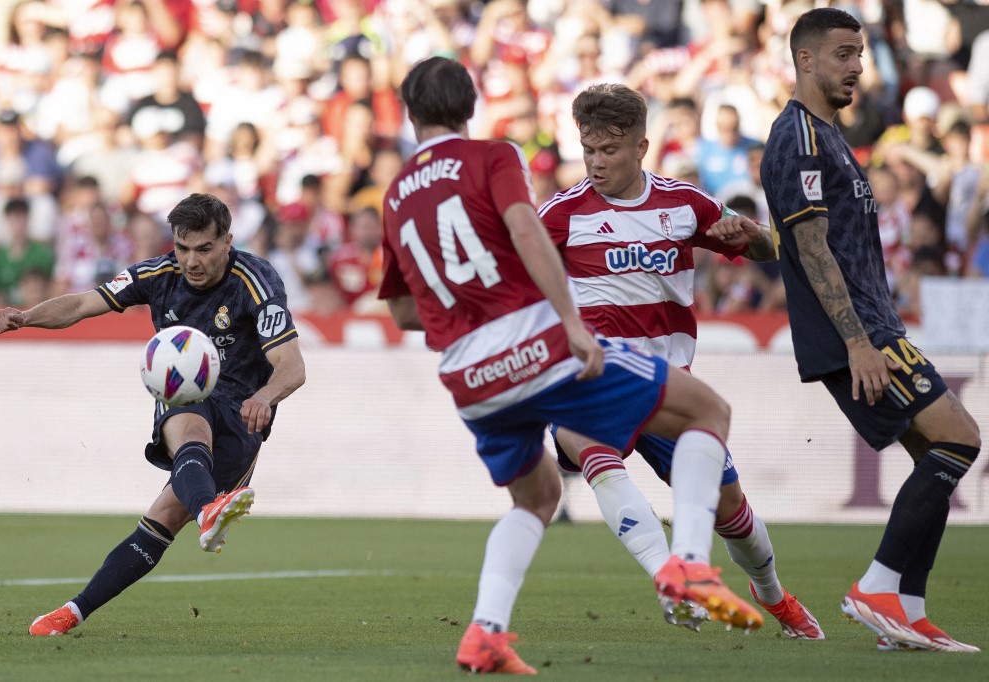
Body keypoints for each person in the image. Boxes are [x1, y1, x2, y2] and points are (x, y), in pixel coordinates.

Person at [379, 56, 762, 675]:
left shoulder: (396, 192)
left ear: (410, 113)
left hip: (467, 376)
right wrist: (569, 322)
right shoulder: (493, 157)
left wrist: (466, 317)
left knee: (537, 498)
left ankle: (485, 632)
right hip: (533, 348)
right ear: (470, 108)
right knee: (708, 410)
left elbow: (401, 312)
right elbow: (529, 234)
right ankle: (688, 561)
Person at [538, 83, 823, 639]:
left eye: (610, 151)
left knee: (734, 517)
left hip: (672, 389)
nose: (596, 162)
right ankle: (672, 577)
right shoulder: (560, 216)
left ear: (642, 148)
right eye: (588, 149)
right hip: (597, 379)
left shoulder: (685, 204)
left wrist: (752, 236)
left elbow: (766, 252)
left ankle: (774, 596)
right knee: (586, 444)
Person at [760, 7, 982, 653]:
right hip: (856, 332)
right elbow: (812, 245)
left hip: (872, 324)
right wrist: (858, 341)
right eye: (843, 53)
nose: (857, 65)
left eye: (859, 53)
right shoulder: (798, 137)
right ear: (805, 59)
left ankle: (905, 611)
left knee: (933, 457)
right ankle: (877, 587)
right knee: (960, 440)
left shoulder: (828, 135)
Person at [0, 192, 306, 637]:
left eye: (204, 249)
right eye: (182, 248)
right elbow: (84, 304)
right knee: (186, 409)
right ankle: (72, 613)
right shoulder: (158, 274)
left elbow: (293, 367)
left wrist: (267, 396)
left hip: (243, 412)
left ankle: (203, 510)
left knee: (163, 520)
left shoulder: (256, 280)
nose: (191, 261)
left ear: (227, 242)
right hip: (185, 392)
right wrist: (27, 316)